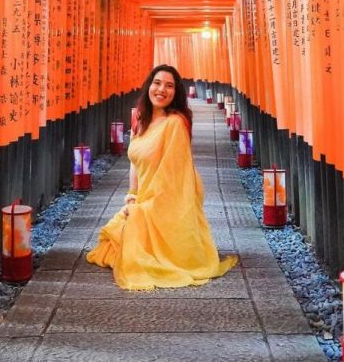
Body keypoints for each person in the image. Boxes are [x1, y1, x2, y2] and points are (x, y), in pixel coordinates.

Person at [86, 64, 238, 290]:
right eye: (157, 83)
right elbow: (135, 162)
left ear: (176, 93)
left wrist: (144, 208)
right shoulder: (140, 118)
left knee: (133, 253)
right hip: (146, 197)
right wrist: (132, 196)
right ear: (149, 86)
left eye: (169, 86)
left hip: (169, 199)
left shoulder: (175, 123)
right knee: (110, 247)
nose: (161, 90)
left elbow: (173, 177)